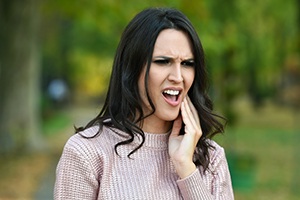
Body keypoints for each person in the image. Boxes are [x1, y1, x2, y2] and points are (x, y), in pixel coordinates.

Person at [54, 7, 234, 200]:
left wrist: (186, 168)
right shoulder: (87, 153)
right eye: (163, 61)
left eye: (187, 64)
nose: (178, 77)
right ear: (132, 68)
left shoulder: (211, 158)